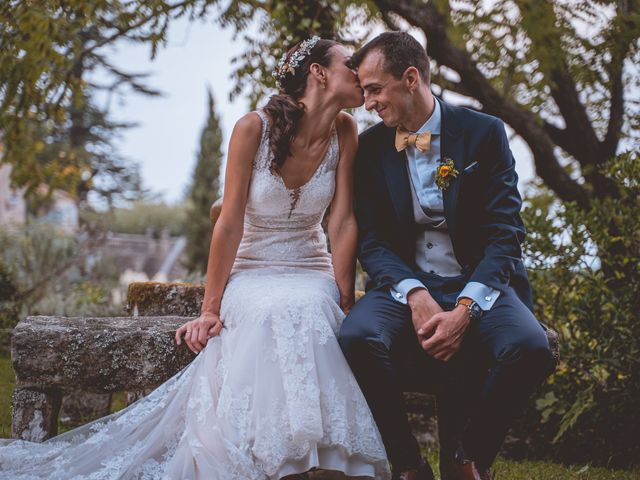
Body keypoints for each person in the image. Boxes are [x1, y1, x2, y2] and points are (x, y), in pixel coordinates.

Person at [0, 37, 390, 480]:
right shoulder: (252, 129)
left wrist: (343, 292)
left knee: (315, 307)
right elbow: (227, 224)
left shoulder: (346, 131)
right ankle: (267, 456)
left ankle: (323, 457)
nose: (362, 72)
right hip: (253, 269)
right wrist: (210, 308)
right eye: (351, 62)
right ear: (320, 72)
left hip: (309, 265)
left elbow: (341, 221)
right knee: (270, 312)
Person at [338, 32, 556, 480]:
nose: (367, 103)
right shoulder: (372, 147)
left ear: (411, 78)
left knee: (531, 347)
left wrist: (466, 308)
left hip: (476, 281)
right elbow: (373, 241)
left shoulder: (484, 133)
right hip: (404, 283)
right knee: (357, 337)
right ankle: (408, 463)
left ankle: (467, 459)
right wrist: (414, 292)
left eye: (375, 90)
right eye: (364, 92)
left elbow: (505, 234)